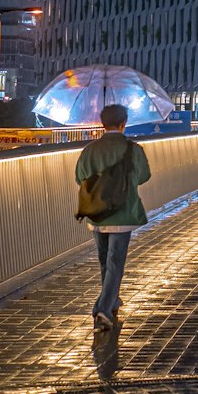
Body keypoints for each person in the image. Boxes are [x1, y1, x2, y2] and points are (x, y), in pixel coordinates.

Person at [74, 103, 151, 333]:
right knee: (115, 263)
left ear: (102, 123)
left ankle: (112, 300)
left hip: (97, 214)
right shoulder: (132, 149)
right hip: (123, 212)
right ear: (123, 123)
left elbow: (80, 177)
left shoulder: (90, 150)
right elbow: (144, 176)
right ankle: (103, 310)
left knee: (104, 261)